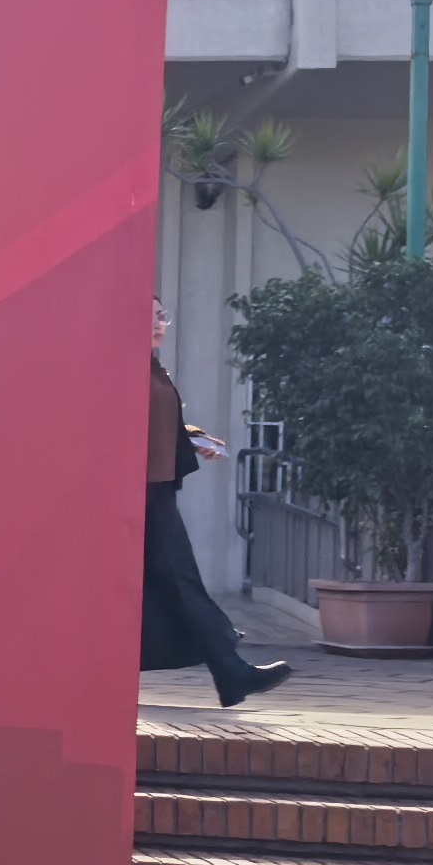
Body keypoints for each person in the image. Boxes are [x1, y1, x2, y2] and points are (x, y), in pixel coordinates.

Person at [146, 299, 288, 707]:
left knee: (168, 586)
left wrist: (191, 436)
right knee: (178, 582)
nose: (159, 322)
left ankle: (229, 671)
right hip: (139, 493)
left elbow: (156, 421)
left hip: (155, 488)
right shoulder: (123, 367)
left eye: (161, 315)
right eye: (149, 315)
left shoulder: (153, 367)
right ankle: (230, 670)